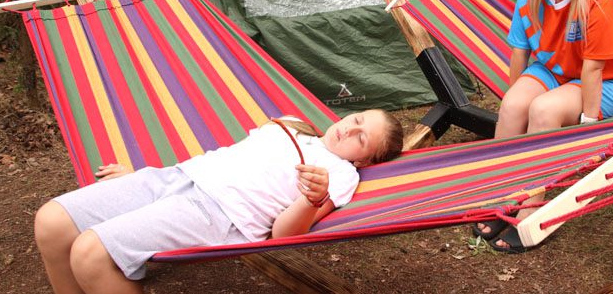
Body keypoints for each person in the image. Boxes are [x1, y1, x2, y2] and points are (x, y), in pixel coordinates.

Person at [34, 110, 403, 294]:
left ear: (364, 161)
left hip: (216, 212)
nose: (349, 129)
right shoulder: (292, 124)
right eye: (356, 119)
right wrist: (138, 178)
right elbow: (225, 159)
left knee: (89, 254)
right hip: (174, 178)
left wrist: (312, 199)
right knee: (51, 221)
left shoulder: (340, 174)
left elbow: (283, 235)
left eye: (361, 138)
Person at [473, 0, 613, 253]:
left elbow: (594, 68)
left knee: (543, 110)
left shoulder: (597, 1)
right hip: (553, 69)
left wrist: (589, 125)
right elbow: (520, 53)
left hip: (606, 82)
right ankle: (502, 195)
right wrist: (513, 98)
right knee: (513, 106)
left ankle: (531, 209)